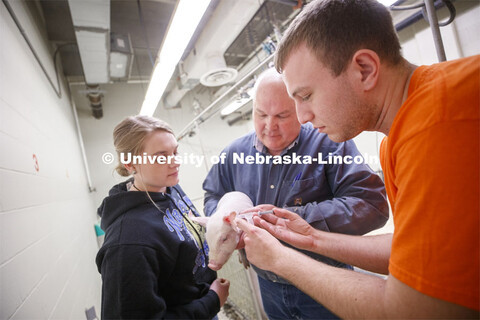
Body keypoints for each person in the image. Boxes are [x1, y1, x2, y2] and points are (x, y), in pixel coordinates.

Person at [235, 0, 480, 318]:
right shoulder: (399, 135)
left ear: (364, 69)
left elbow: (414, 312)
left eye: (306, 96)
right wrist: (312, 239)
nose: (303, 117)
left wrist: (280, 259)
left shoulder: (436, 124)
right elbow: (413, 253)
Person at [203, 68, 389, 319]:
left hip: (325, 280)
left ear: (301, 110)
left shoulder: (329, 141)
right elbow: (212, 196)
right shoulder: (232, 154)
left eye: (282, 115)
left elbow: (371, 205)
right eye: (261, 114)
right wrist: (225, 223)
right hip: (268, 286)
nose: (270, 127)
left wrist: (291, 220)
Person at [95, 115, 230, 319]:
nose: (175, 162)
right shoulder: (128, 243)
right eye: (161, 156)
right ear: (130, 164)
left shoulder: (169, 189)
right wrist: (212, 302)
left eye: (175, 152)